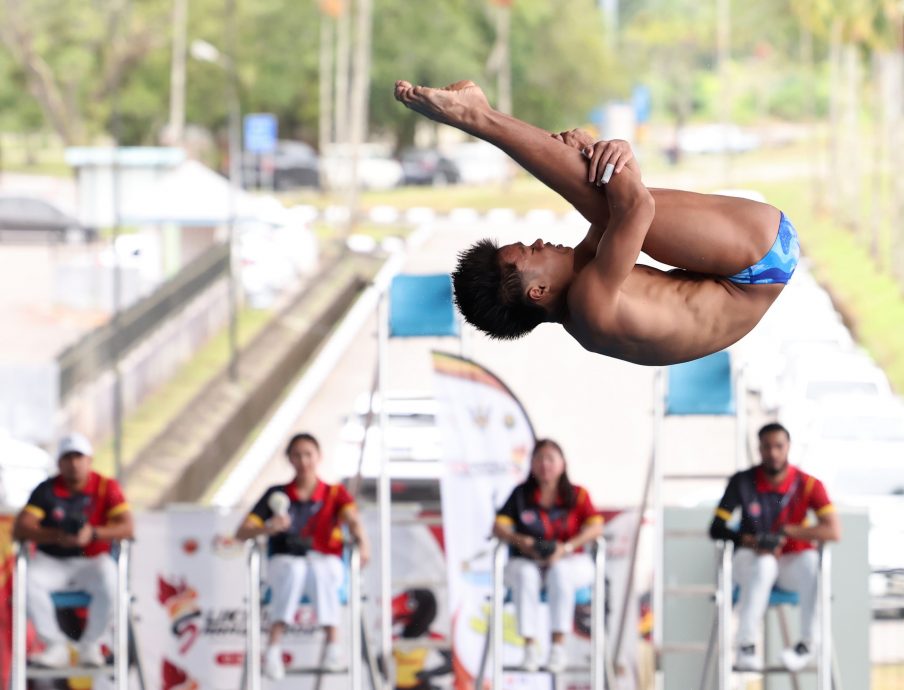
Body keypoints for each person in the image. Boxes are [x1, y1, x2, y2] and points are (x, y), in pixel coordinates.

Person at [394, 80, 799, 366]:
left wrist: (596, 153)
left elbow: (619, 206)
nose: (540, 241)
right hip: (756, 260)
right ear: (538, 291)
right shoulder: (590, 305)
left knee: (602, 199)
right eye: (532, 250)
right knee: (606, 202)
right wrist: (607, 152)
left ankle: (481, 116)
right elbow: (636, 206)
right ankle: (479, 118)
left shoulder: (582, 293)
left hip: (755, 264)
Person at [236, 432, 371, 680]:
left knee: (321, 570)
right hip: (285, 562)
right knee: (295, 569)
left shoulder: (335, 493)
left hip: (324, 562)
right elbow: (242, 532)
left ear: (319, 456)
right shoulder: (276, 495)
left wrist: (363, 543)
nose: (303, 461)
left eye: (308, 454)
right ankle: (273, 648)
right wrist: (269, 527)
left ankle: (333, 644)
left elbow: (353, 521)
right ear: (289, 459)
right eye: (297, 455)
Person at [709, 423, 841, 672]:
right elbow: (716, 528)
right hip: (751, 561)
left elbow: (834, 531)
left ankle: (807, 645)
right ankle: (746, 645)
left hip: (789, 562)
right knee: (765, 564)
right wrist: (752, 541)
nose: (773, 453)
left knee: (813, 563)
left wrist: (790, 531)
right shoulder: (742, 482)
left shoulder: (808, 484)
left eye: (779, 446)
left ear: (788, 447)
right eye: (767, 447)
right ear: (759, 449)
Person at [12, 432, 134, 668]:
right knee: (25, 579)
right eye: (68, 458)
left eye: (79, 457)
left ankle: (92, 644)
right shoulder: (47, 489)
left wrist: (93, 533)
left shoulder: (106, 487)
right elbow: (22, 527)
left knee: (112, 577)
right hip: (53, 561)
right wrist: (58, 536)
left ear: (90, 460)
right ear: (59, 463)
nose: (74, 464)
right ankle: (55, 645)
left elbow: (128, 527)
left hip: (93, 559)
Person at [492, 439, 604, 673]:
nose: (545, 464)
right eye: (539, 459)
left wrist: (566, 548)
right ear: (532, 464)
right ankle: (529, 648)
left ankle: (558, 648)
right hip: (528, 561)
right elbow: (498, 527)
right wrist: (521, 541)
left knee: (560, 573)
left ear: (562, 464)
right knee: (525, 574)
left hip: (569, 560)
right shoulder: (520, 494)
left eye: (550, 459)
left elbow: (596, 527)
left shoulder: (578, 495)